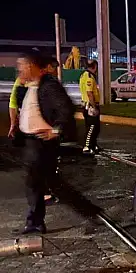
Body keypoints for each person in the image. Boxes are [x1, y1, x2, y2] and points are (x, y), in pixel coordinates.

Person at [15, 52, 76, 234]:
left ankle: (35, 221)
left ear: (32, 66)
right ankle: (35, 219)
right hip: (31, 143)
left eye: (23, 66)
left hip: (41, 143)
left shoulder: (48, 85)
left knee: (35, 183)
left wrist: (56, 130)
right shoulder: (31, 86)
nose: (19, 70)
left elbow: (66, 109)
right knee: (38, 183)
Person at [79, 60, 101, 155]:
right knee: (91, 127)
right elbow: (89, 93)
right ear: (95, 66)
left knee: (95, 127)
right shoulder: (89, 78)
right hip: (90, 106)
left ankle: (93, 145)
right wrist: (94, 106)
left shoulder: (84, 75)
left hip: (87, 105)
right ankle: (87, 146)